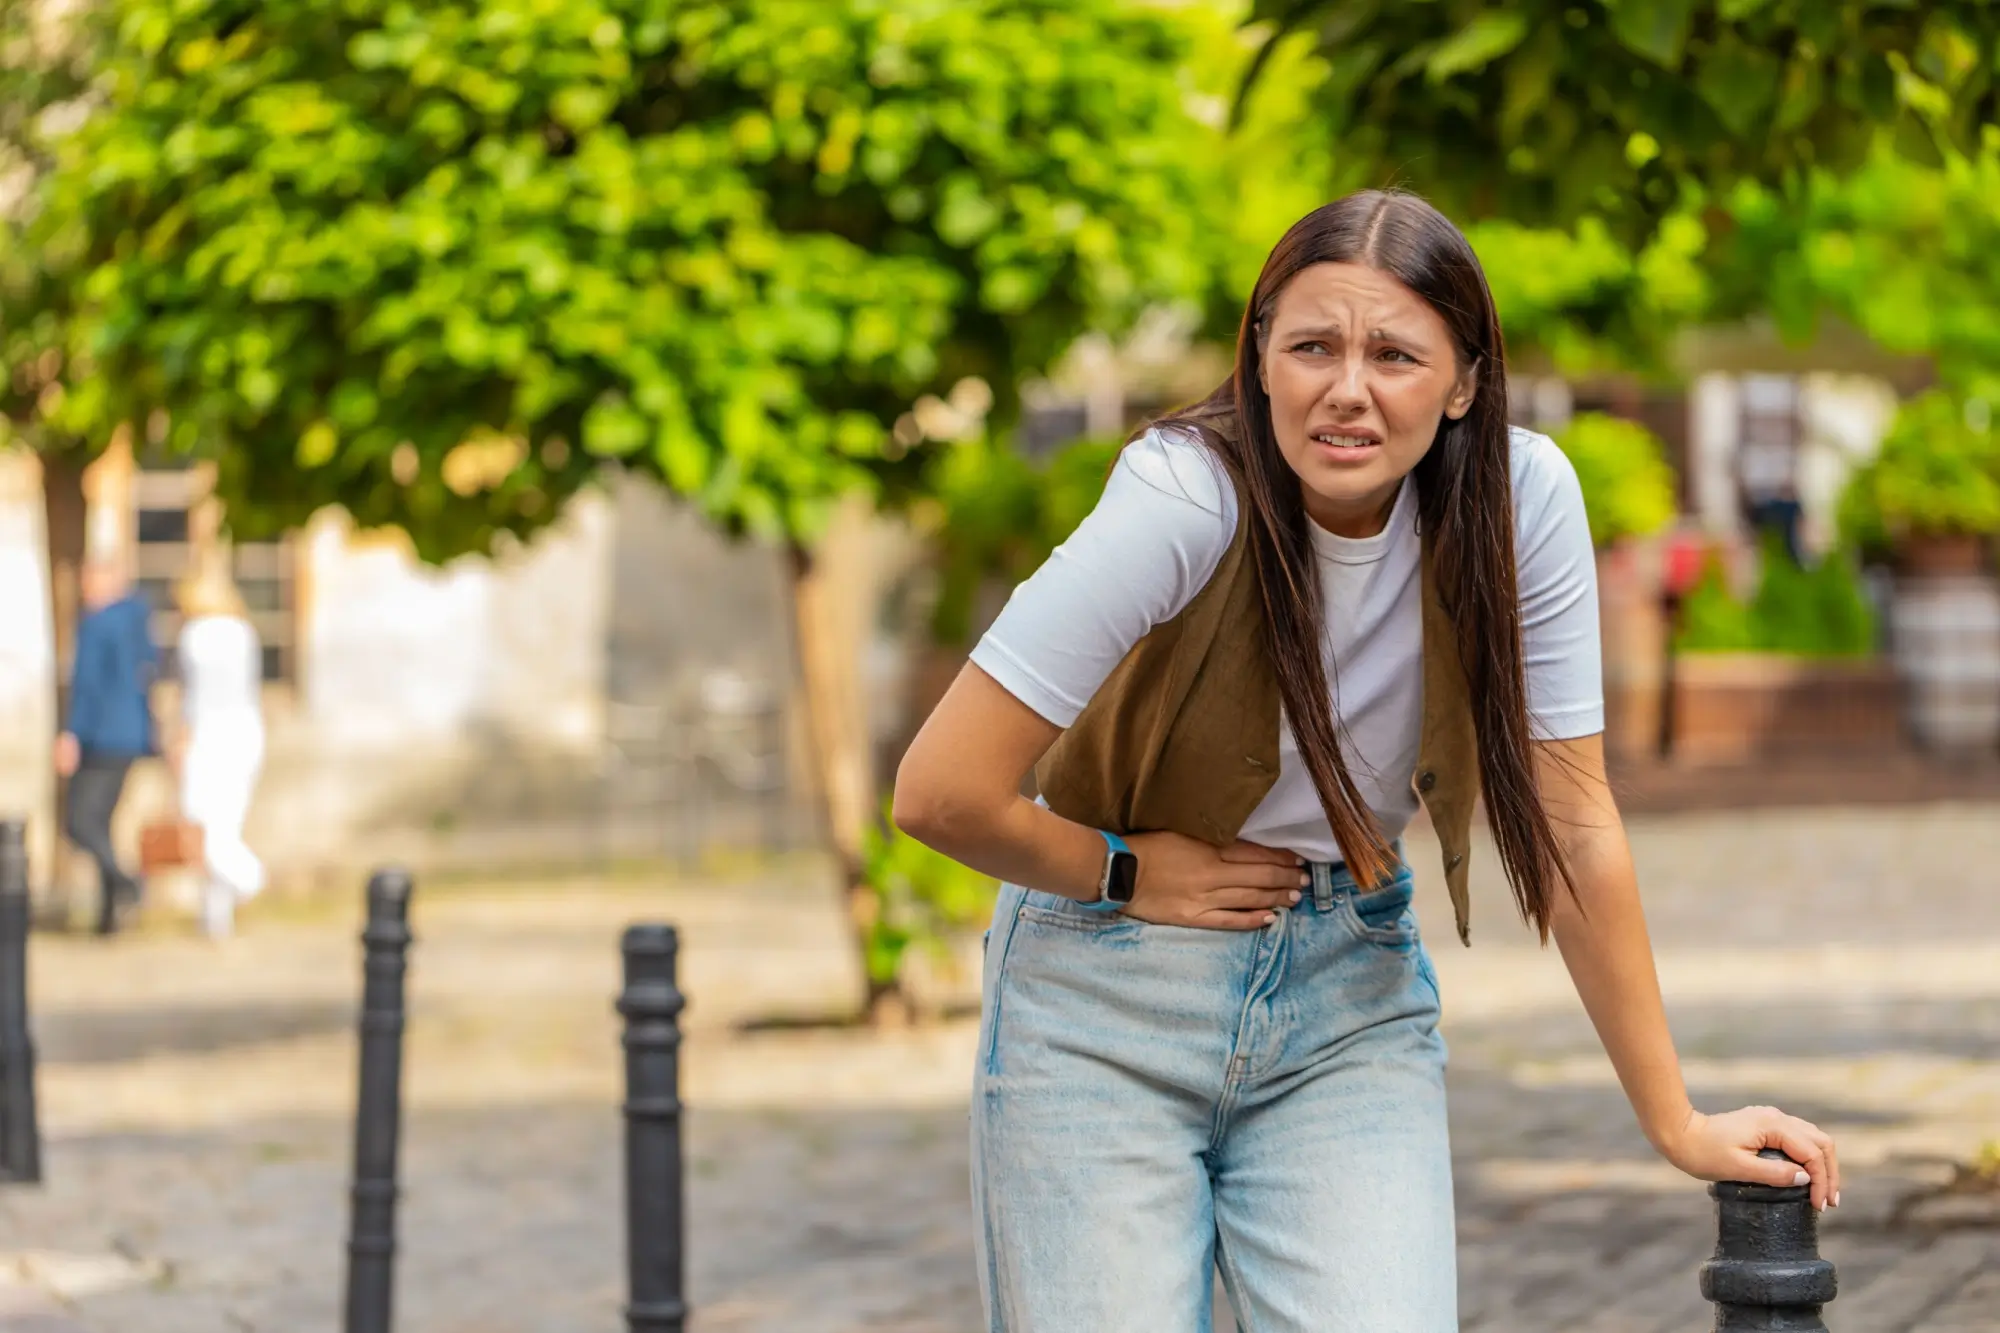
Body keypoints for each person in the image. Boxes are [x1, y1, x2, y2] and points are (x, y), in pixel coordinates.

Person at [893, 191, 1839, 1331]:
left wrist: (1673, 1117)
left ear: (1462, 382)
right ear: (1258, 359)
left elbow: (1573, 825)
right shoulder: (1181, 498)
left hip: (1346, 998)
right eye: (1310, 347)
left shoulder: (1518, 501)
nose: (1346, 388)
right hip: (1101, 999)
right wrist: (1125, 873)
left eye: (1394, 353)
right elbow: (939, 790)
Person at [55, 558, 157, 936]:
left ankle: (126, 882)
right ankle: (108, 916)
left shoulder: (97, 623)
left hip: (101, 736)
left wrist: (71, 733)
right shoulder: (137, 621)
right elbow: (149, 671)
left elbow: (89, 685)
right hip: (130, 736)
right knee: (102, 824)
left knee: (80, 822)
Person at [170, 567, 266, 938]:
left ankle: (250, 879)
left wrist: (181, 741)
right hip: (246, 734)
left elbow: (196, 699)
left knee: (202, 825)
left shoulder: (196, 636)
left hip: (210, 737)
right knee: (226, 823)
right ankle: (215, 918)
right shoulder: (244, 633)